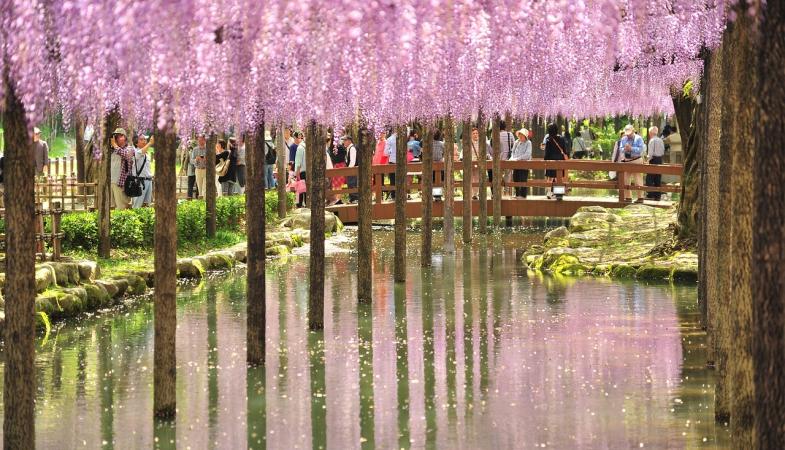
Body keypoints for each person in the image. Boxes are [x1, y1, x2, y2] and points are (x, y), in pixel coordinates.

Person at [109, 128, 136, 209]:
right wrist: (113, 145)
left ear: (124, 137)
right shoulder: (112, 150)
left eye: (118, 136)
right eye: (115, 136)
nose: (116, 138)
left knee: (121, 207)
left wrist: (114, 144)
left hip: (120, 183)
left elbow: (125, 154)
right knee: (112, 207)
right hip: (111, 182)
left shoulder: (129, 148)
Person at [619, 124, 646, 202]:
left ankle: (640, 198)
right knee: (626, 179)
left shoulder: (639, 138)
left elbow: (641, 150)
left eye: (630, 133)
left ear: (633, 131)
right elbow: (620, 149)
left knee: (638, 179)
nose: (628, 135)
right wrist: (625, 149)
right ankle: (628, 197)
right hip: (627, 160)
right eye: (627, 134)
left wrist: (632, 148)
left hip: (636, 160)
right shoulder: (624, 139)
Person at [543, 123, 569, 199]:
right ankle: (559, 194)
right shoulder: (562, 138)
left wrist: (545, 161)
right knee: (559, 178)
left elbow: (547, 153)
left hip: (551, 161)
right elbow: (564, 150)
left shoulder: (548, 140)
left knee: (550, 178)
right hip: (560, 161)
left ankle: (549, 193)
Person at [131, 134, 154, 208]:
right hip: (139, 182)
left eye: (145, 139)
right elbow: (138, 154)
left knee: (147, 206)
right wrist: (150, 143)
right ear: (136, 143)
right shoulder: (134, 151)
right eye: (142, 139)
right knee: (137, 206)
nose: (144, 141)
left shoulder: (146, 154)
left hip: (149, 181)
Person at [510, 128, 532, 198]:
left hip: (524, 164)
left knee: (523, 178)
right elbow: (513, 151)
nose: (520, 137)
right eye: (519, 135)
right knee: (515, 178)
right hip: (515, 164)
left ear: (525, 136)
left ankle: (523, 195)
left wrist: (518, 159)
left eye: (522, 135)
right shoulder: (517, 142)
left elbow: (527, 154)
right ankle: (517, 194)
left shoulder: (528, 143)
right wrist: (512, 158)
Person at [646, 126, 665, 201]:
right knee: (658, 177)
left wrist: (647, 160)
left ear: (650, 133)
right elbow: (663, 151)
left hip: (653, 159)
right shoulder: (661, 140)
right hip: (659, 159)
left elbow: (650, 153)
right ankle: (658, 195)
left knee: (649, 178)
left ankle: (650, 194)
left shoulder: (652, 140)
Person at [341, 135, 359, 204]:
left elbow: (352, 161)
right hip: (350, 169)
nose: (344, 142)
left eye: (345, 140)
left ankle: (355, 199)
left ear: (349, 141)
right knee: (350, 184)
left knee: (352, 184)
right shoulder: (349, 148)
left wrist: (349, 170)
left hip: (352, 169)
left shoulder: (352, 148)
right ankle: (352, 199)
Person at [191, 134, 207, 199]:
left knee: (205, 188)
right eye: (199, 140)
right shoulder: (195, 149)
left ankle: (205, 201)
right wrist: (196, 159)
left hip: (206, 170)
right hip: (198, 170)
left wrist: (207, 159)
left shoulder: (208, 149)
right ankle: (201, 203)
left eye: (201, 140)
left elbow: (213, 160)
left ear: (205, 140)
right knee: (199, 188)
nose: (200, 141)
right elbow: (191, 160)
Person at [294, 133, 307, 207]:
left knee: (300, 190)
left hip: (301, 172)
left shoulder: (300, 148)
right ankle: (306, 204)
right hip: (307, 171)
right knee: (305, 190)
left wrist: (297, 173)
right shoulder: (306, 146)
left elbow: (298, 162)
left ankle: (299, 205)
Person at [383, 129, 397, 199]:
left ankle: (394, 196)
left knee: (393, 179)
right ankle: (402, 194)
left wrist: (390, 152)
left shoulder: (389, 139)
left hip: (392, 161)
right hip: (402, 162)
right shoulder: (403, 137)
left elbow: (385, 153)